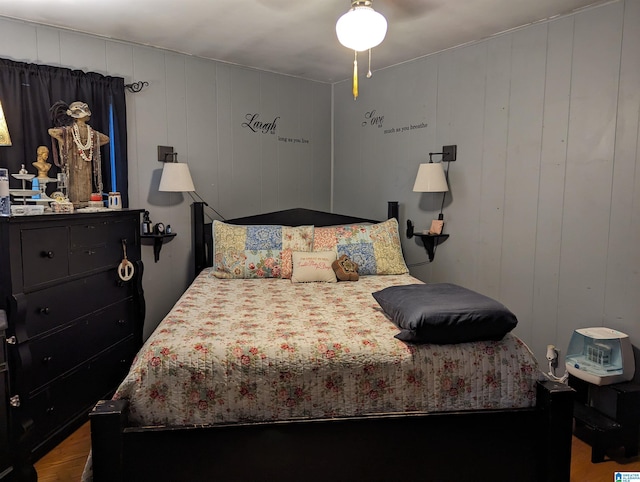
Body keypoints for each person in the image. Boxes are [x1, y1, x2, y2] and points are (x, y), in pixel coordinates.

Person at [48, 101, 109, 207]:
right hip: (74, 162)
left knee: (87, 179)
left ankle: (85, 200)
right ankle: (75, 200)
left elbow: (106, 139)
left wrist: (91, 145)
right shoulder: (70, 130)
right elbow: (52, 132)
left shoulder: (91, 131)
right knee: (74, 180)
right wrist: (63, 142)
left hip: (86, 162)